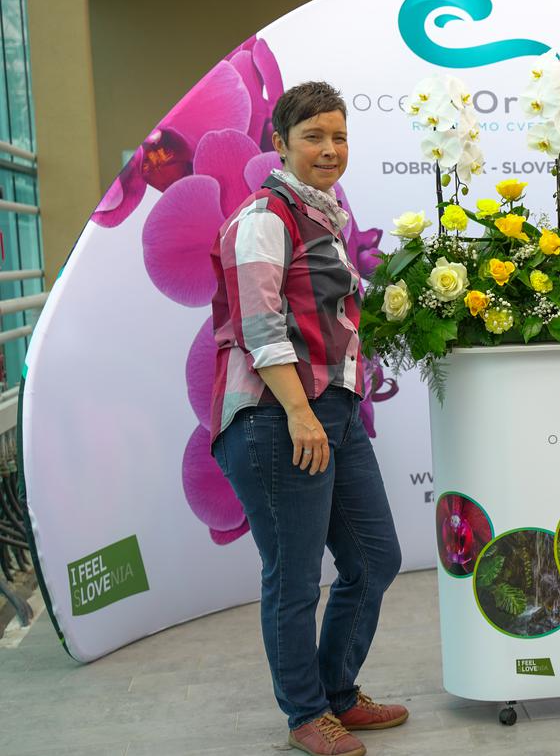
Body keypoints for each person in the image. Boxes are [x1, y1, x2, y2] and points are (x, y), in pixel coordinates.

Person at [210, 81, 407, 756]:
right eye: (314, 137)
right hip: (278, 414)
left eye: (340, 136)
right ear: (280, 144)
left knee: (374, 558)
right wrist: (298, 411)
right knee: (294, 577)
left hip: (334, 410)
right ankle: (305, 714)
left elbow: (338, 307)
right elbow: (261, 327)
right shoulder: (264, 217)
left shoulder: (325, 217)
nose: (330, 149)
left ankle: (337, 696)